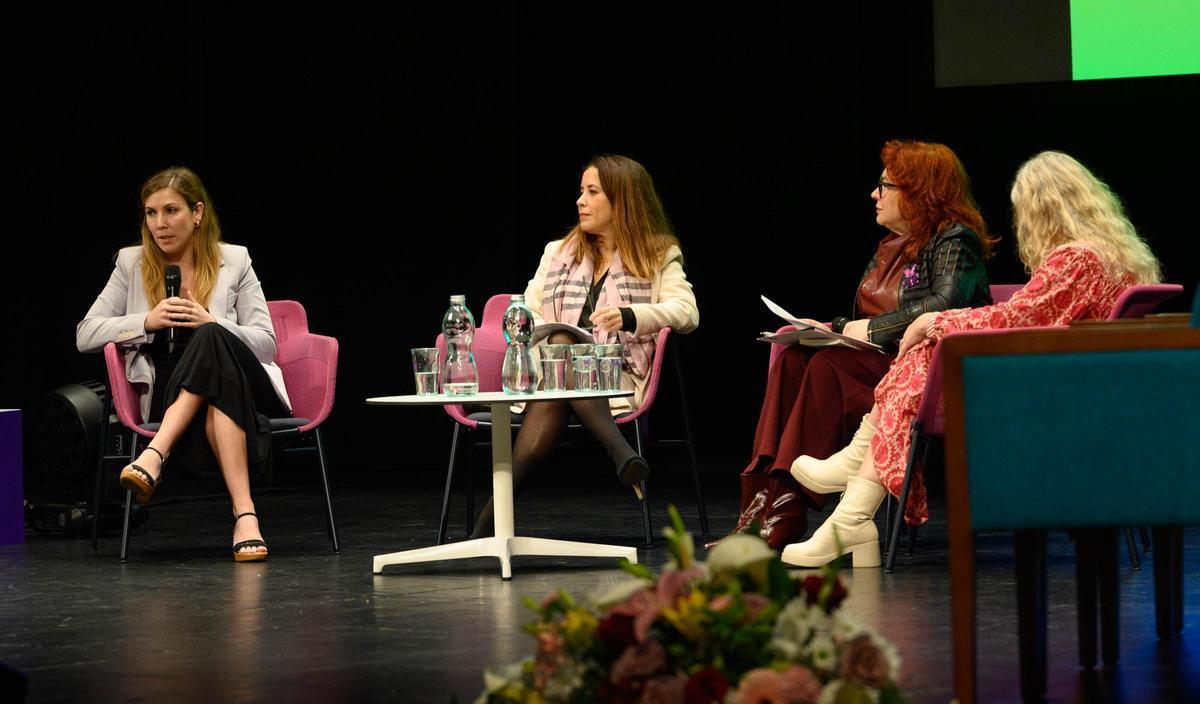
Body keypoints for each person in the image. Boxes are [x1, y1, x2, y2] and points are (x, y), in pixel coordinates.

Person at [783, 151, 1163, 568]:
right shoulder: (1115, 258)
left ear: (1041, 209)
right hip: (1075, 384)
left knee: (928, 349)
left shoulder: (1076, 259)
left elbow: (1016, 318)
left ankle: (854, 491)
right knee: (928, 353)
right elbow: (1030, 316)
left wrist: (934, 321)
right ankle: (853, 505)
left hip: (1049, 394)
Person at [736, 140, 995, 549]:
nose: (874, 194)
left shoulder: (954, 239)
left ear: (918, 191)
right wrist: (830, 329)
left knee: (828, 368)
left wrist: (868, 330)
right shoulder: (892, 245)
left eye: (885, 185)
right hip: (880, 363)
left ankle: (786, 506)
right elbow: (870, 316)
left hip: (927, 376)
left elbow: (943, 304)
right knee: (794, 357)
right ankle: (760, 501)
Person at [469, 154, 699, 538]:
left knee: (568, 355)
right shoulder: (558, 252)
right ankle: (620, 451)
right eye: (581, 191)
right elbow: (527, 310)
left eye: (592, 192)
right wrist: (551, 335)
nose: (580, 201)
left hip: (613, 375)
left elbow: (687, 312)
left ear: (622, 200)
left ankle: (485, 528)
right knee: (563, 342)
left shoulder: (658, 254)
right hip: (549, 376)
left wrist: (629, 315)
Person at [76, 167, 290, 562]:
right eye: (151, 213)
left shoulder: (235, 260)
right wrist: (146, 321)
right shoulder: (131, 263)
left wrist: (214, 322)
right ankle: (245, 516)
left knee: (210, 337)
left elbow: (266, 344)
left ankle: (155, 453)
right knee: (215, 391)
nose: (160, 223)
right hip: (171, 391)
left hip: (246, 386)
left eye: (171, 210)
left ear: (197, 213)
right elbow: (85, 333)